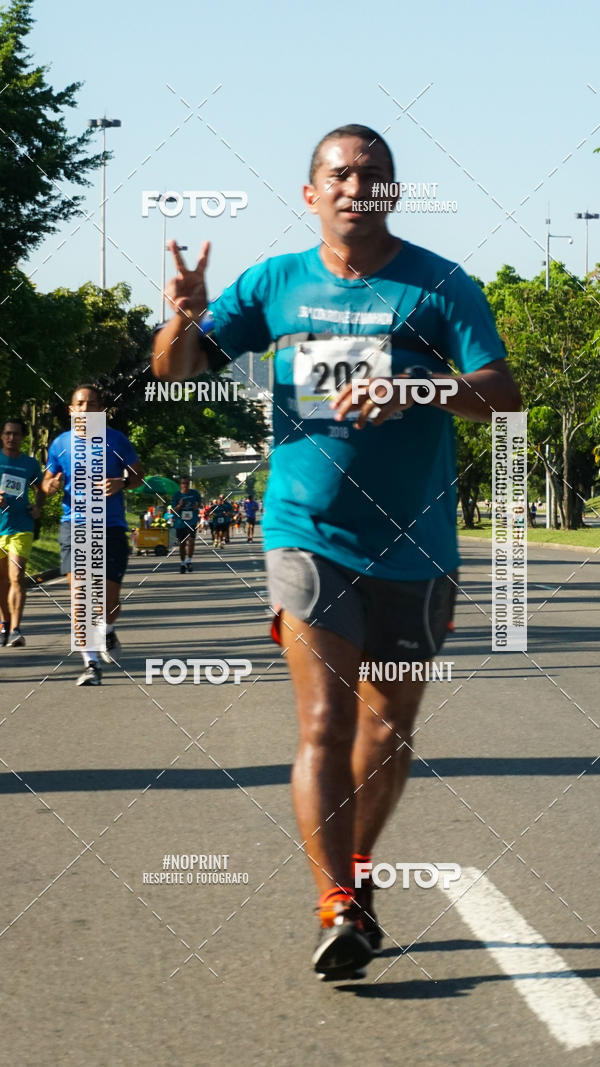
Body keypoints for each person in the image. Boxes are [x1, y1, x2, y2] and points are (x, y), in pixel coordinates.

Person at [152, 123, 520, 980]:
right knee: (325, 719)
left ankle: (355, 868)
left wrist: (415, 385)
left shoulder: (440, 284)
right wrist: (185, 318)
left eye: (374, 173)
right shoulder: (274, 283)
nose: (357, 186)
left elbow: (503, 394)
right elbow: (176, 370)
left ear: (393, 190)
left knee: (388, 728)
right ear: (311, 192)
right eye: (341, 174)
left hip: (416, 543)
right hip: (306, 533)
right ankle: (339, 903)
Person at [42, 384, 144, 685]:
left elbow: (138, 475)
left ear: (101, 409)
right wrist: (51, 485)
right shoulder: (60, 444)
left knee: (108, 601)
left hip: (110, 527)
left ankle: (107, 631)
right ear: (71, 410)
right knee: (80, 597)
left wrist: (121, 483)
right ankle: (91, 664)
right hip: (73, 525)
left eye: (92, 404)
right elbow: (47, 481)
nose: (86, 409)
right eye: (80, 404)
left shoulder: (116, 440)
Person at [0, 418, 45, 647]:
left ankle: (16, 629)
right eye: (8, 433)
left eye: (16, 434)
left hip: (21, 527)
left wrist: (38, 507)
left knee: (16, 576)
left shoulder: (30, 464)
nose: (12, 438)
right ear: (2, 436)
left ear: (23, 437)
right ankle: (4, 624)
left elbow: (41, 488)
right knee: (1, 581)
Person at [171, 476, 202, 573]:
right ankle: (182, 563)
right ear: (180, 484)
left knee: (191, 541)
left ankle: (189, 561)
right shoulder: (177, 495)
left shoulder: (194, 493)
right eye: (183, 483)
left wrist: (197, 506)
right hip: (180, 522)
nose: (185, 485)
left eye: (187, 483)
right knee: (182, 544)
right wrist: (179, 505)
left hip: (191, 521)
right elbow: (173, 511)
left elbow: (200, 503)